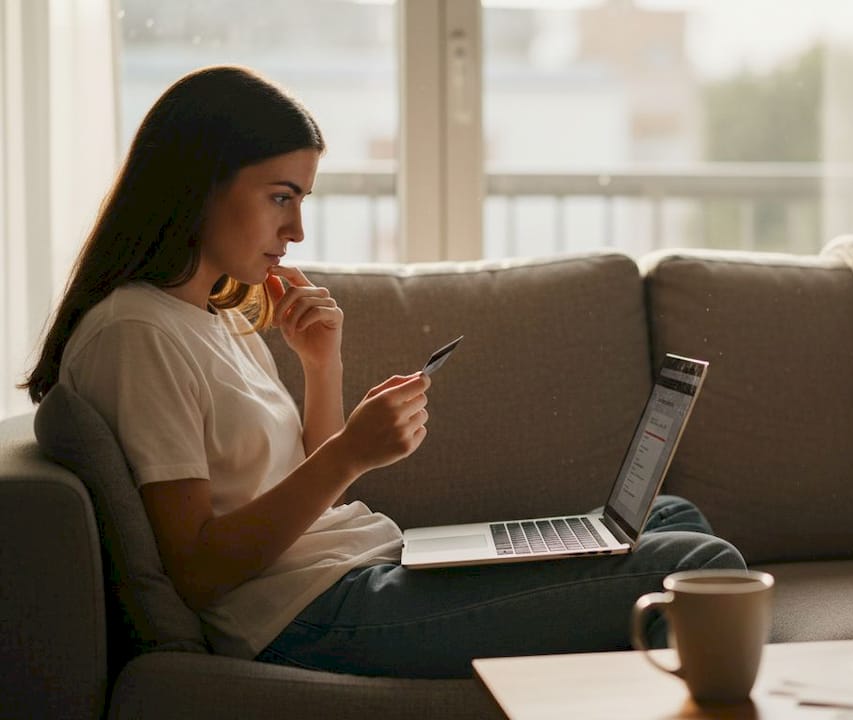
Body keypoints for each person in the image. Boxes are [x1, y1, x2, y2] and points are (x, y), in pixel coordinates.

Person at [21, 65, 745, 678]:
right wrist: (351, 452)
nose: (296, 230)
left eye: (301, 201)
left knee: (671, 518)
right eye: (281, 197)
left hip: (353, 571)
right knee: (701, 564)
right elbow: (198, 570)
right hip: (308, 616)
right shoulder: (137, 333)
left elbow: (306, 492)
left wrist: (321, 365)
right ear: (199, 184)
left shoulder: (211, 315)